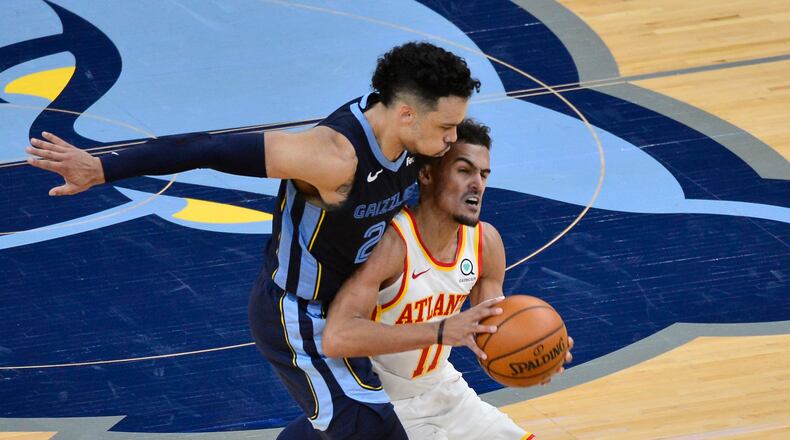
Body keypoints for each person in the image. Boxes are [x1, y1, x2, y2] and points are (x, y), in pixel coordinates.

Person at [26, 42, 495, 439]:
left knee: (339, 419)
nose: (454, 138)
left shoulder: (413, 135)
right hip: (300, 314)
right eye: (445, 128)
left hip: (359, 304)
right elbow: (206, 148)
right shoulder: (331, 157)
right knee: (372, 428)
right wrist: (103, 167)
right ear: (407, 113)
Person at [323, 120, 573, 440]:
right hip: (381, 403)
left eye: (483, 175)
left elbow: (491, 331)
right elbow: (337, 336)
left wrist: (538, 355)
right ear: (427, 175)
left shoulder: (484, 242)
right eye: (464, 171)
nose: (477, 184)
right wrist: (439, 332)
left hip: (444, 390)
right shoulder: (391, 243)